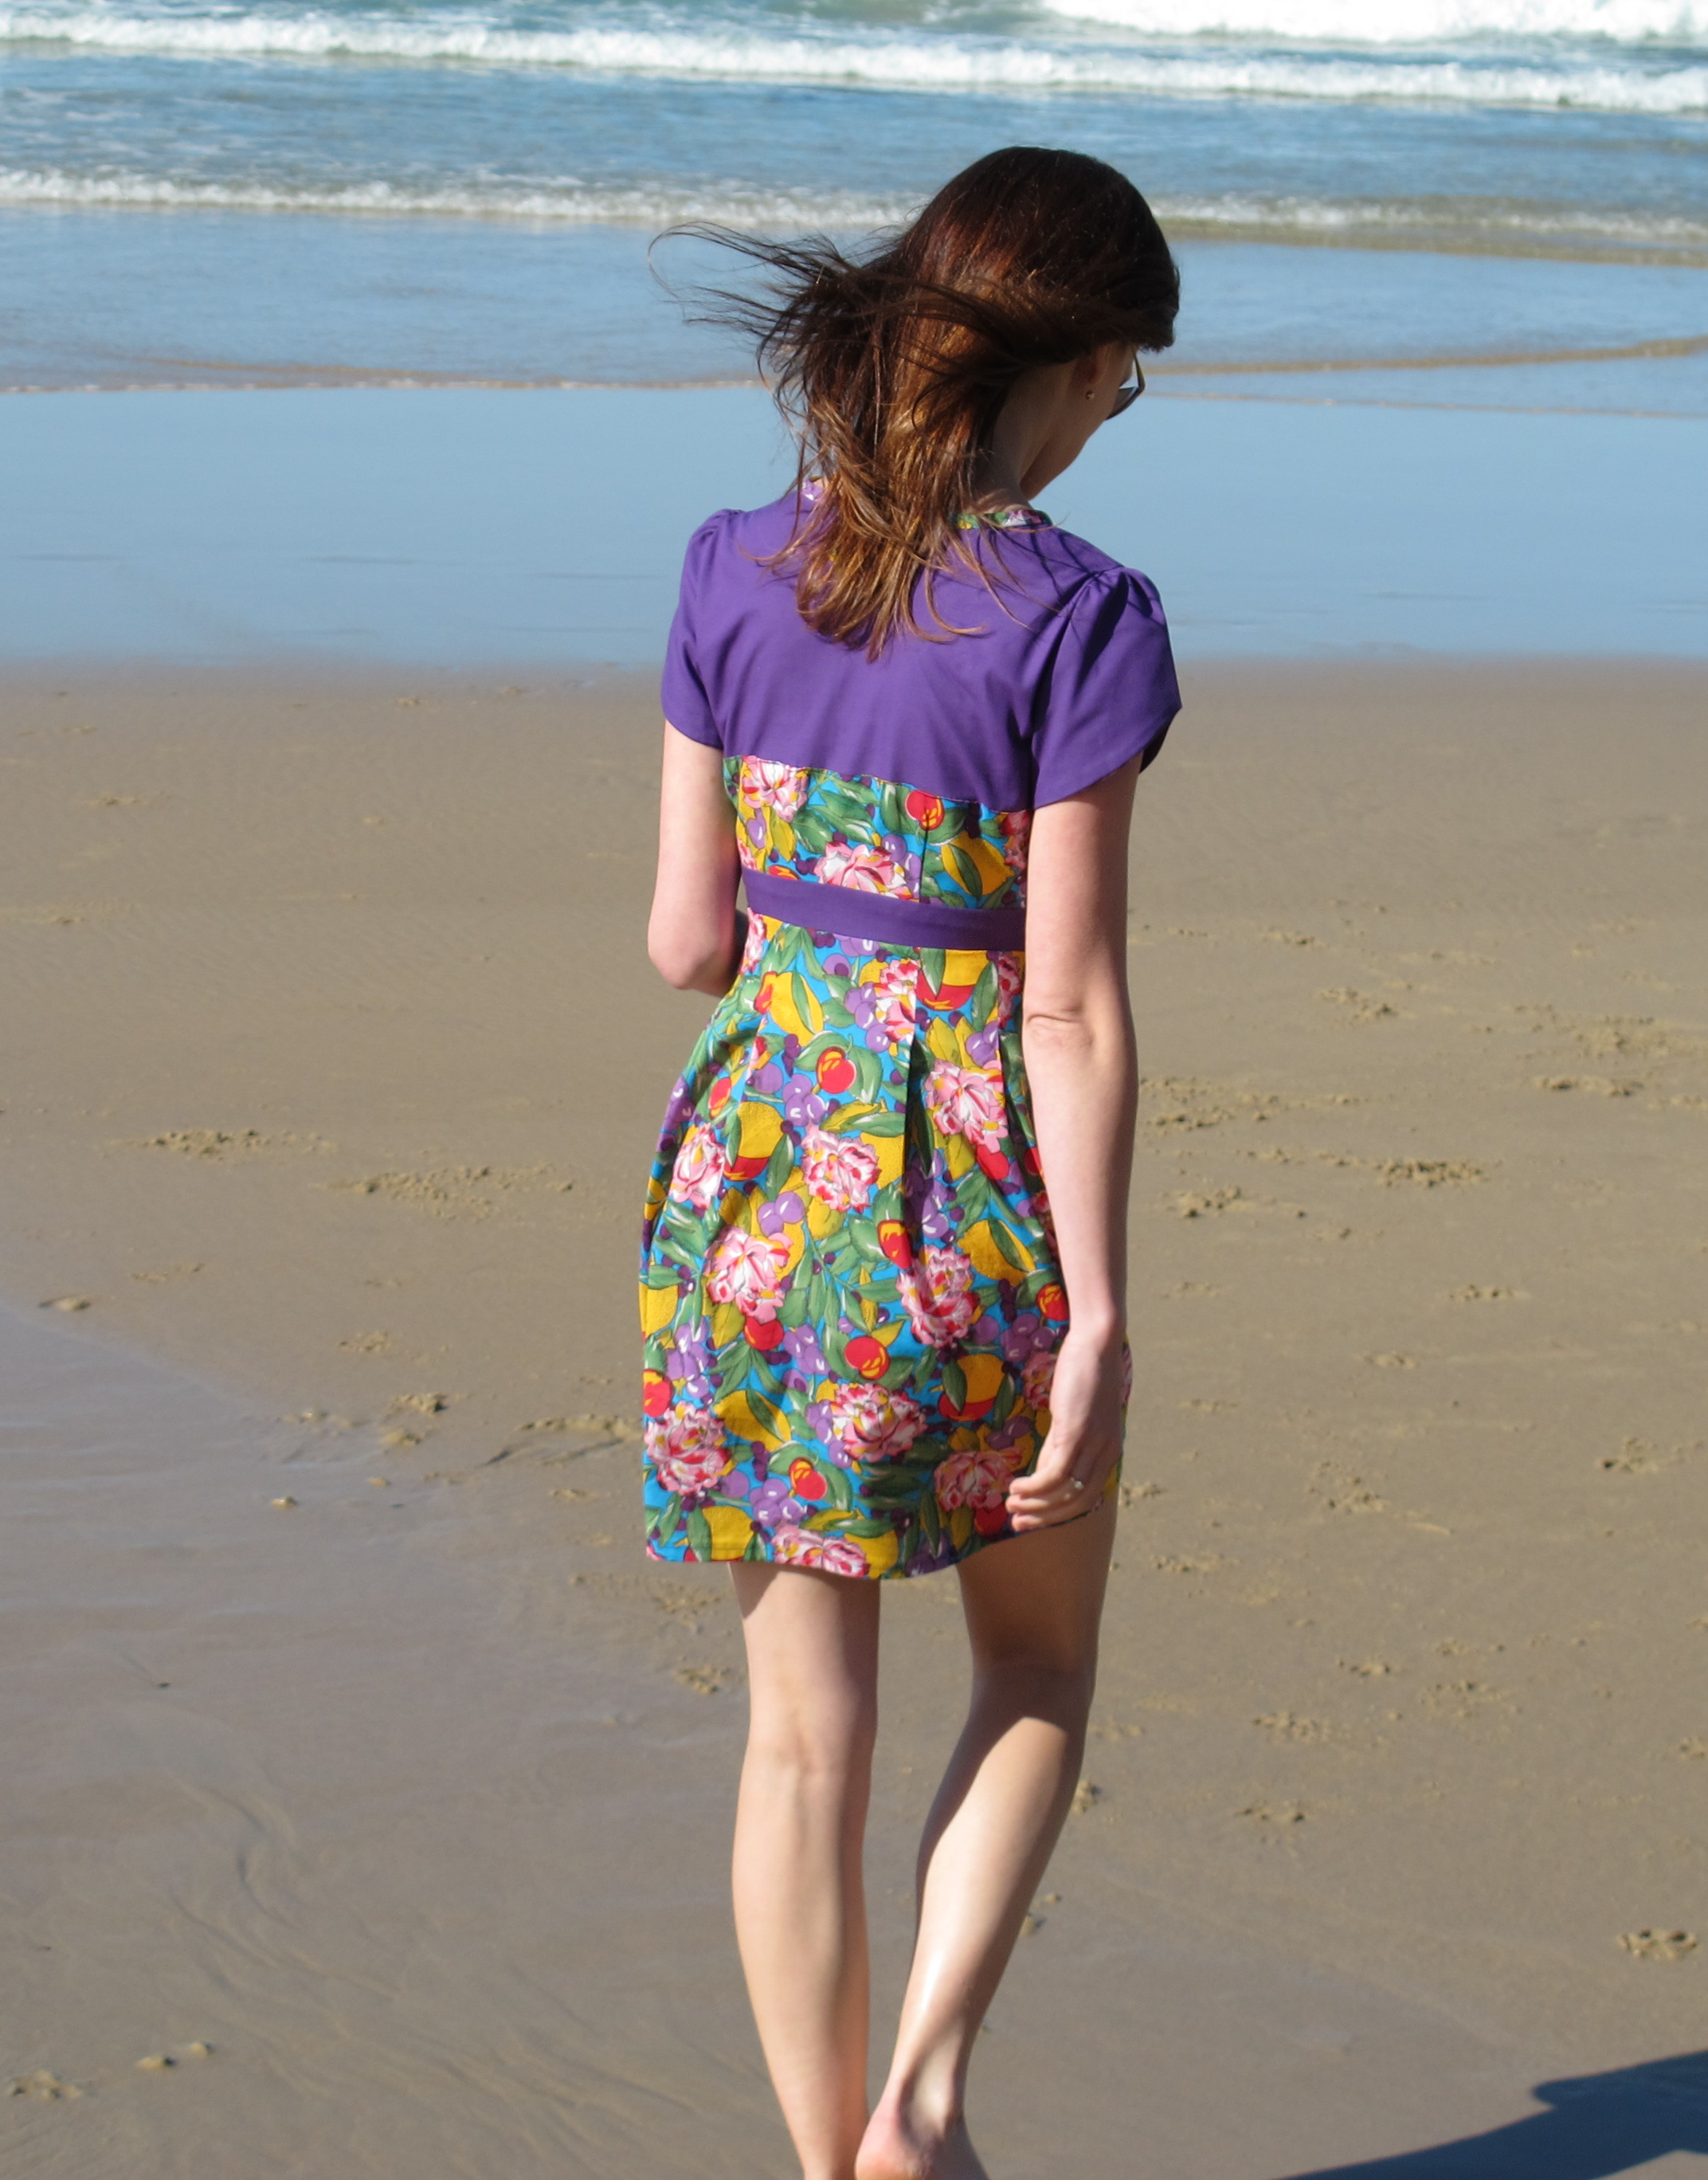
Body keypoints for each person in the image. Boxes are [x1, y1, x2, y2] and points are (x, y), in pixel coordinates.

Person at [636, 147, 1181, 2180]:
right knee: (1035, 1660)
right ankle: (925, 2105)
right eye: (1126, 383)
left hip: (754, 1196)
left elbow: (687, 943)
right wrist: (1101, 1316)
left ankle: (826, 2166)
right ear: (1078, 364)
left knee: (800, 1740)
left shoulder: (728, 567)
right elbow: (1070, 1008)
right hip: (969, 1209)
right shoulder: (1081, 618)